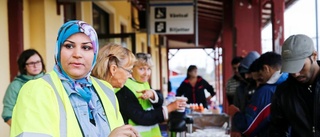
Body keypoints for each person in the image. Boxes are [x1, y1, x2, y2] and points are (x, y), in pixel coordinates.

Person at [10, 20, 139, 137]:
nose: (77, 54)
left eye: (86, 47)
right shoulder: (37, 91)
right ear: (58, 50)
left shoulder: (106, 89)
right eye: (69, 46)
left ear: (94, 53)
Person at [115, 52, 187, 137]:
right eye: (141, 69)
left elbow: (159, 100)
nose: (146, 73)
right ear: (131, 69)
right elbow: (141, 118)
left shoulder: (143, 83)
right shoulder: (124, 88)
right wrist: (169, 108)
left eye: (148, 69)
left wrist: (153, 94)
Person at [269, 34, 320, 136]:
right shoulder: (284, 92)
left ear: (314, 56)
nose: (296, 74)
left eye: (300, 67)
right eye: (291, 68)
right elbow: (276, 130)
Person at [229, 52, 288, 137]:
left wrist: (235, 114)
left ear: (266, 68)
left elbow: (247, 127)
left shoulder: (266, 91)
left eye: (261, 77)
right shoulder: (291, 83)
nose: (258, 84)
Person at [2, 49, 46, 126]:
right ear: (24, 66)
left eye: (38, 62)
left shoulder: (50, 81)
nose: (35, 66)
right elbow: (8, 115)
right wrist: (24, 131)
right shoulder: (15, 85)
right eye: (31, 63)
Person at [231, 51, 260, 137]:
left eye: (249, 73)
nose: (246, 76)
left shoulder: (266, 90)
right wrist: (235, 130)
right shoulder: (240, 90)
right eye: (244, 74)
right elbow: (236, 108)